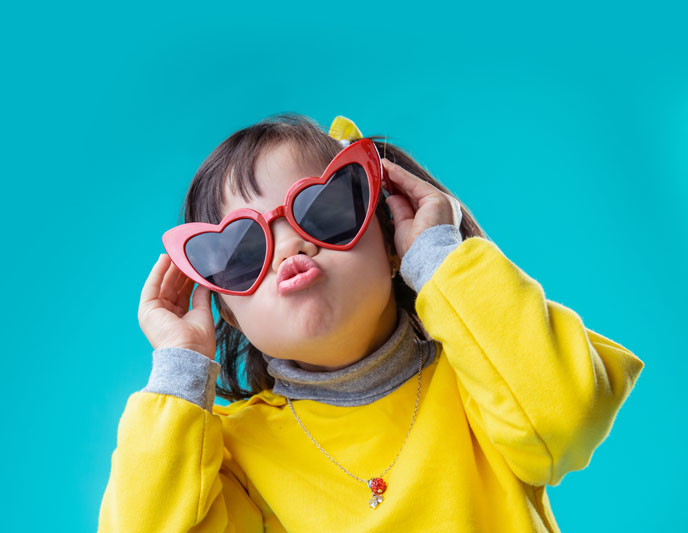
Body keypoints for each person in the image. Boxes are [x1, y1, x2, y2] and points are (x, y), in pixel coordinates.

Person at [97, 113, 644, 532]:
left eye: (324, 209)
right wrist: (179, 368)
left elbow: (564, 416)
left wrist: (439, 259)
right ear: (231, 316)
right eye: (241, 251)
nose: (291, 243)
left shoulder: (486, 374)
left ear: (391, 242)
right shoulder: (233, 456)